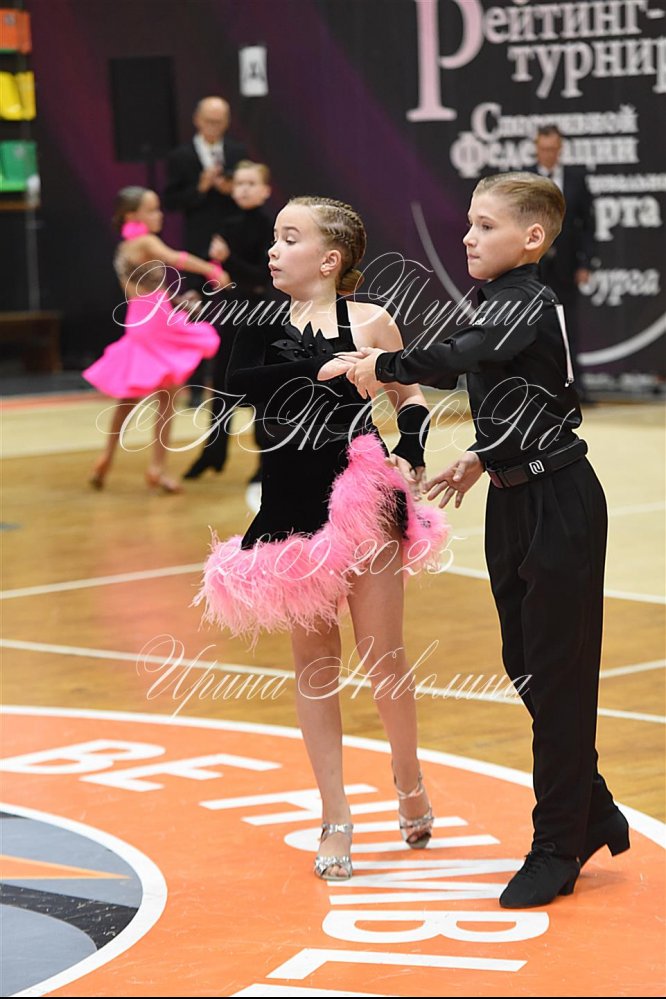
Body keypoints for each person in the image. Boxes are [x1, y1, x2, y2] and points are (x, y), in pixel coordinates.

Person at [346, 172, 629, 908]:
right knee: (525, 665)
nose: (468, 237)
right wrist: (481, 456)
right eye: (469, 223)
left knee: (558, 678)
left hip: (560, 502)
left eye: (485, 225)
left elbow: (462, 353)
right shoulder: (502, 298)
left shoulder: (524, 299)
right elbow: (536, 393)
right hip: (513, 496)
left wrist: (381, 366)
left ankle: (557, 844)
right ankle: (593, 808)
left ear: (531, 237)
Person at [194, 196, 450, 881]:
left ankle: (408, 778)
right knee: (313, 663)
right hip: (291, 507)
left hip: (363, 494)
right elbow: (239, 384)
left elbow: (410, 395)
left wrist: (412, 449)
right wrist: (318, 368)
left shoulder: (370, 321)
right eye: (275, 238)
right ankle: (336, 815)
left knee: (383, 654)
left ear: (329, 259)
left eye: (289, 238)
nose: (273, 250)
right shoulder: (256, 318)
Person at [83, 186, 227, 493]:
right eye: (151, 210)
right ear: (131, 216)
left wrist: (177, 300)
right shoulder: (145, 241)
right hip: (155, 322)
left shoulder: (125, 247)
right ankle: (156, 468)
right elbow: (176, 258)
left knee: (133, 397)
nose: (159, 215)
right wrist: (212, 270)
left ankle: (108, 458)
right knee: (166, 396)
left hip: (141, 318)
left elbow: (142, 290)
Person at [182, 160, 275, 484]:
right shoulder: (226, 223)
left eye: (251, 184)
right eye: (239, 184)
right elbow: (214, 270)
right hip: (232, 315)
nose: (244, 189)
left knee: (261, 390)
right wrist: (199, 290)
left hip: (260, 316)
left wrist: (227, 260)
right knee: (222, 385)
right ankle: (213, 452)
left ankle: (266, 459)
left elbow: (261, 278)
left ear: (265, 191)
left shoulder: (269, 227)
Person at [163, 96, 248, 405]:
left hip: (232, 244)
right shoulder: (181, 156)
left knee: (237, 313)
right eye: (210, 121)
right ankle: (196, 387)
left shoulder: (237, 152)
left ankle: (237, 383)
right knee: (195, 313)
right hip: (197, 247)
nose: (215, 126)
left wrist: (232, 189)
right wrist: (200, 186)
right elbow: (170, 201)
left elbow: (251, 193)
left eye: (220, 121)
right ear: (197, 120)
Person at [529, 124, 595, 402]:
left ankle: (575, 388)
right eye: (544, 149)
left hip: (566, 267)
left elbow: (588, 223)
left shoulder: (576, 178)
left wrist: (586, 263)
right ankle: (533, 388)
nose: (549, 154)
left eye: (553, 149)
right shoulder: (525, 179)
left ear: (560, 149)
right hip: (533, 267)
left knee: (568, 328)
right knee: (532, 328)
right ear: (536, 149)